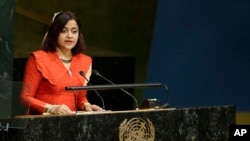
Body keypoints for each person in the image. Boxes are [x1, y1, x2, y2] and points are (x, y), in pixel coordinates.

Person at [20, 11, 103, 115]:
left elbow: (80, 97)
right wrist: (51, 108)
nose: (69, 36)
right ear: (54, 32)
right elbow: (25, 97)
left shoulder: (85, 61)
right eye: (63, 31)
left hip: (71, 123)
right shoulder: (38, 58)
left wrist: (86, 105)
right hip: (43, 123)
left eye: (74, 31)